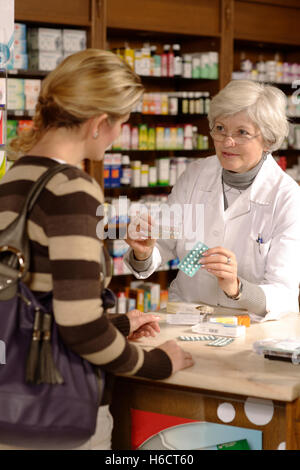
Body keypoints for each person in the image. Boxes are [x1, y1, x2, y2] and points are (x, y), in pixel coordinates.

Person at [0, 49, 193, 450]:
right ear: (99, 122)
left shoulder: (16, 174)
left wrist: (120, 326)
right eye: (121, 122)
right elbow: (81, 328)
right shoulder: (71, 189)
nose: (119, 133)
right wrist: (158, 363)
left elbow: (32, 300)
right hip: (53, 410)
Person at [125, 80, 300, 319]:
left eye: (242, 133)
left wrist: (237, 287)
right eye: (220, 129)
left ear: (268, 140)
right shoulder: (196, 175)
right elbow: (163, 245)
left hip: (251, 328)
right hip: (187, 318)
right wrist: (143, 253)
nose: (228, 142)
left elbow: (283, 292)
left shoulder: (287, 197)